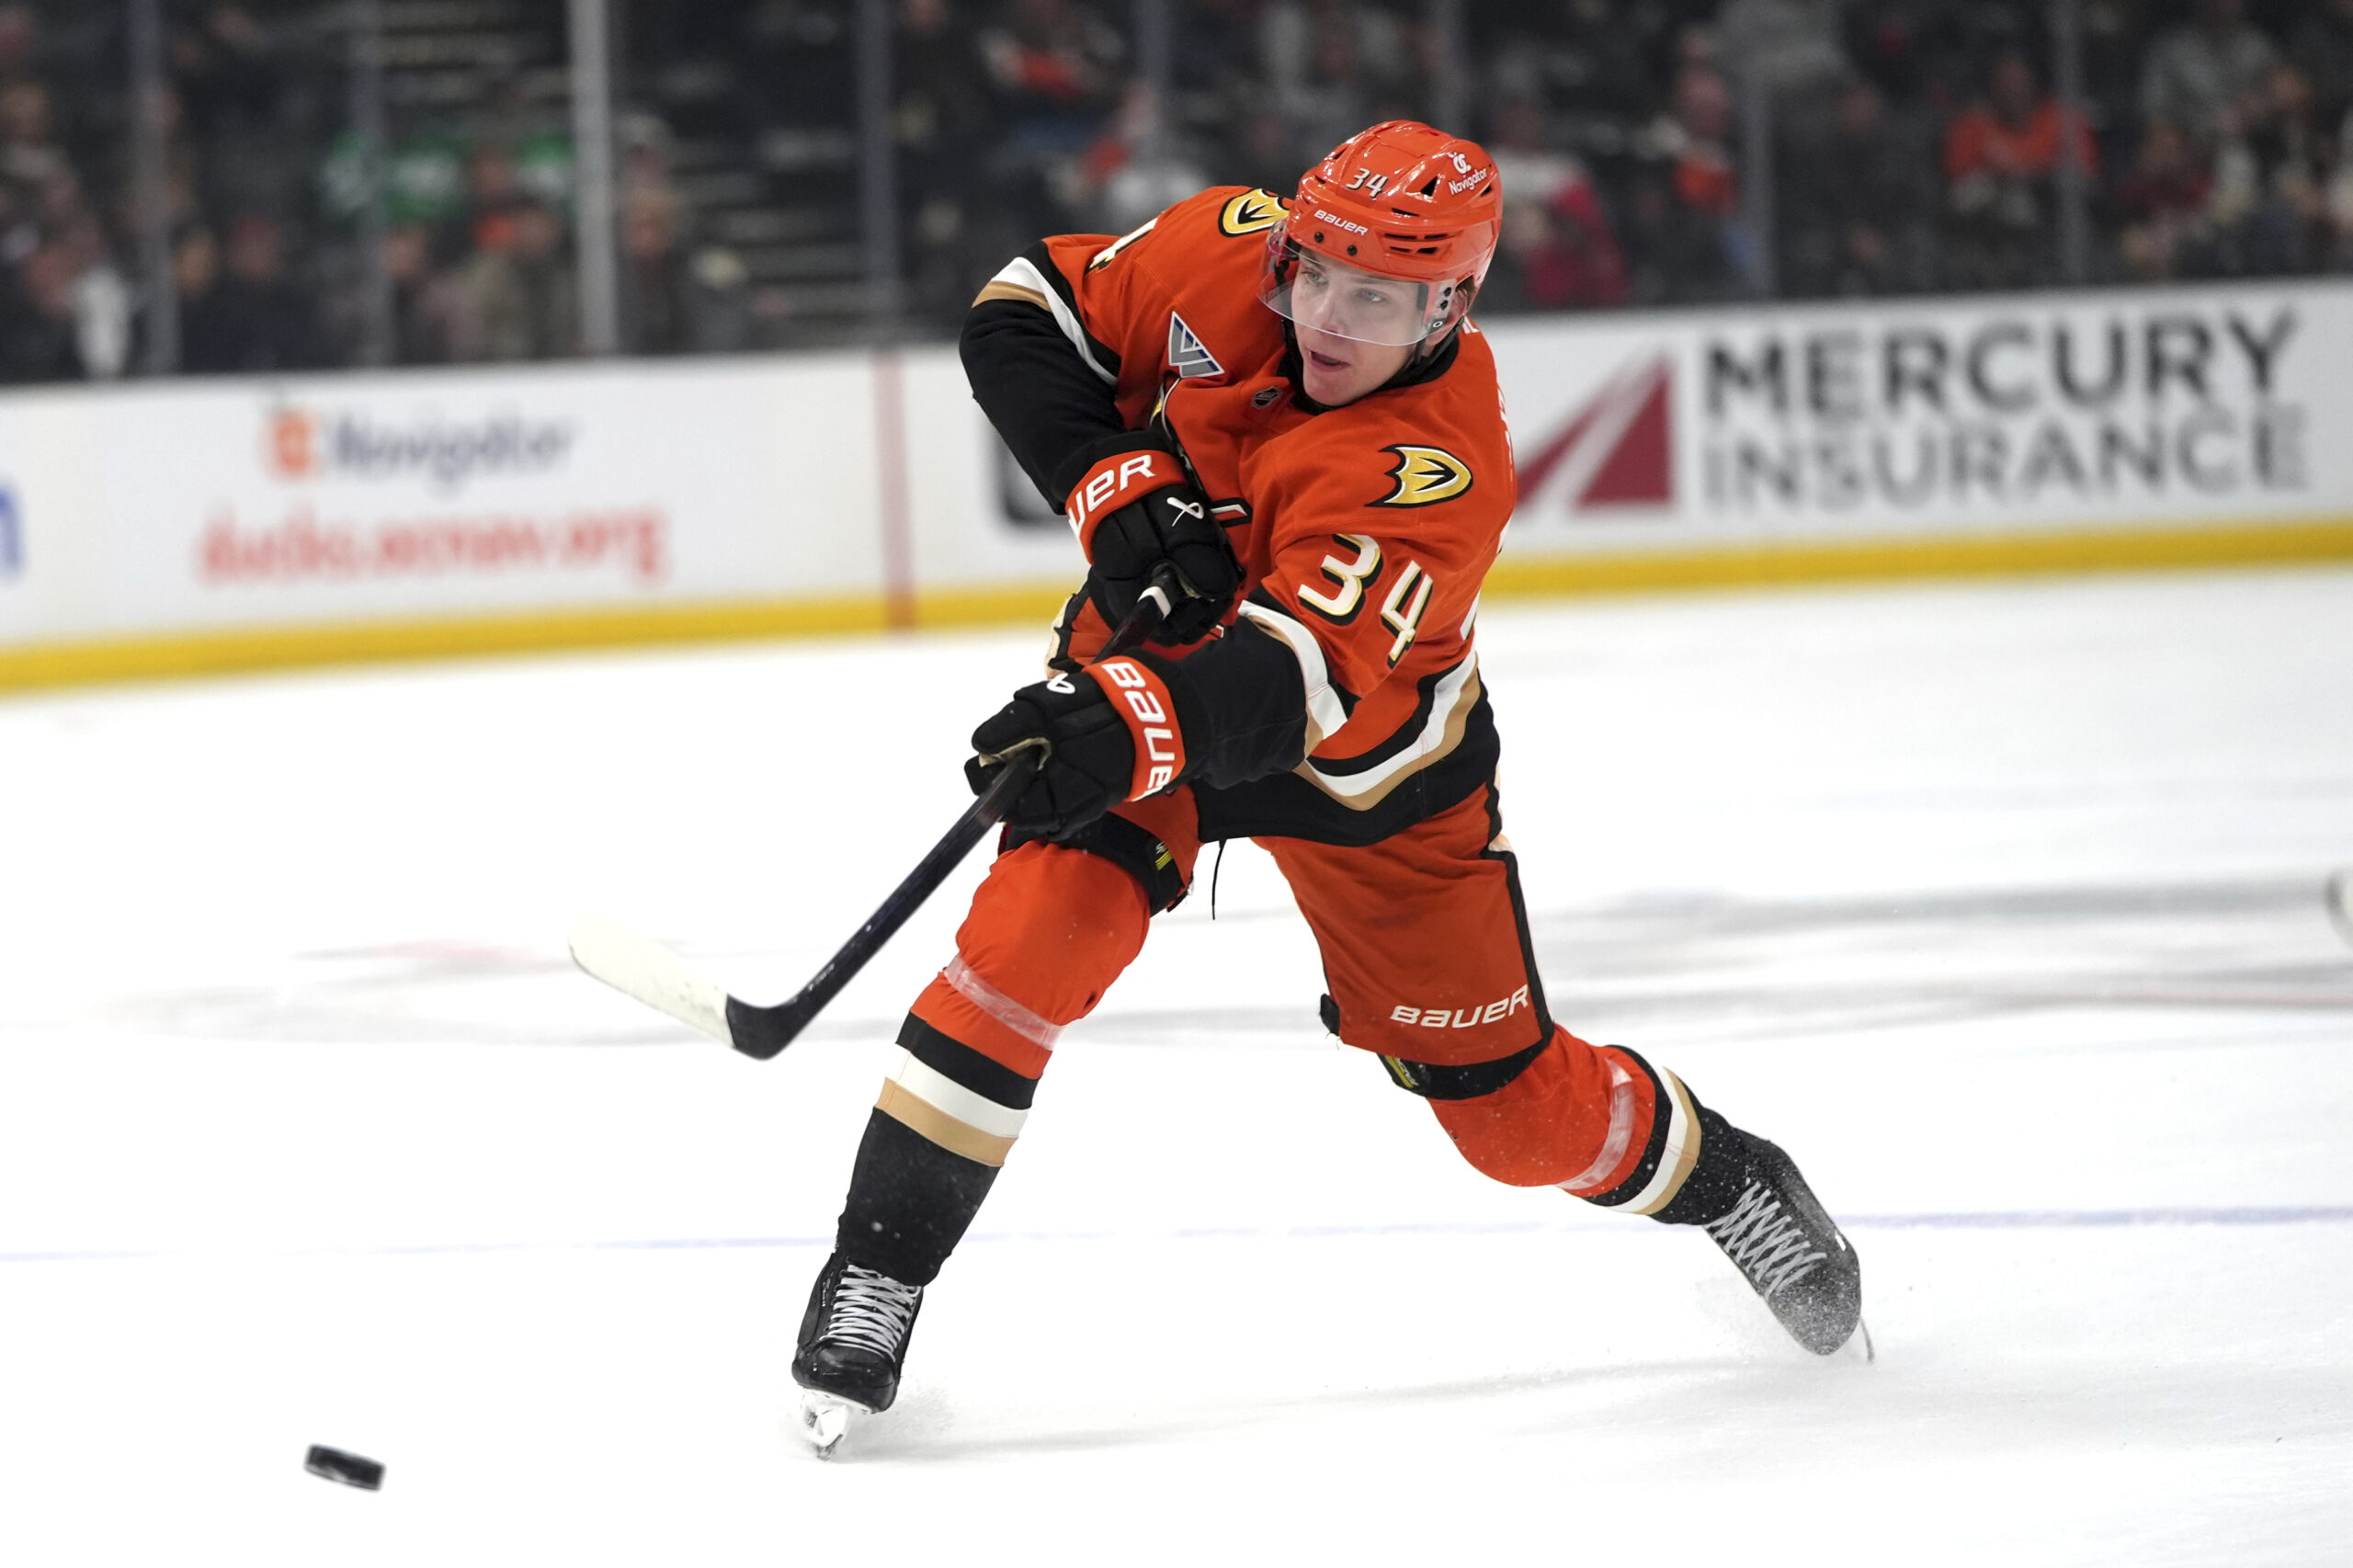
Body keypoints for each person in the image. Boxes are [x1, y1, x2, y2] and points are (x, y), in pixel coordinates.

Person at [787, 120, 1865, 1455]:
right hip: (1158, 677)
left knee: (1514, 1120)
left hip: (1367, 772)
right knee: (1025, 945)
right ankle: (876, 1270)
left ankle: (1730, 1177)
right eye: (1314, 276)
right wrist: (1111, 483)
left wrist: (1103, 722)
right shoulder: (1232, 256)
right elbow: (1019, 312)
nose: (1327, 320)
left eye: (1380, 297)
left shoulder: (1440, 462)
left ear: (1451, 305)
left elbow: (1286, 694)